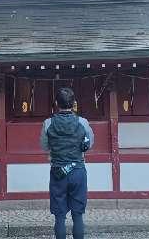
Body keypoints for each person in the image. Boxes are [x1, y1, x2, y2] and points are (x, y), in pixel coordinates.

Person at [40, 87, 94, 239]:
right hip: (78, 170)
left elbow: (44, 146)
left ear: (57, 103)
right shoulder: (83, 122)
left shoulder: (48, 123)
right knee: (77, 215)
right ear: (73, 103)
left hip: (58, 171)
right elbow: (89, 144)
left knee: (59, 215)